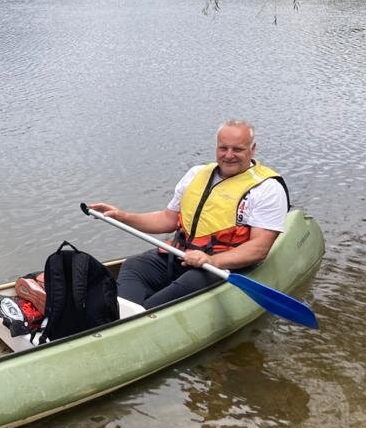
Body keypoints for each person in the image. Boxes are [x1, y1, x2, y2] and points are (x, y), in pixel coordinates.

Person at [89, 120, 289, 309]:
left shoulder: (267, 188)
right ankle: (120, 316)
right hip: (180, 255)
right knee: (133, 266)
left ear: (252, 149)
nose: (229, 155)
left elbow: (259, 248)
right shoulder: (196, 174)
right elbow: (168, 219)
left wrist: (212, 261)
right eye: (223, 148)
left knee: (171, 295)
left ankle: (142, 317)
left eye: (237, 149)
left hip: (221, 266)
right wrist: (123, 216)